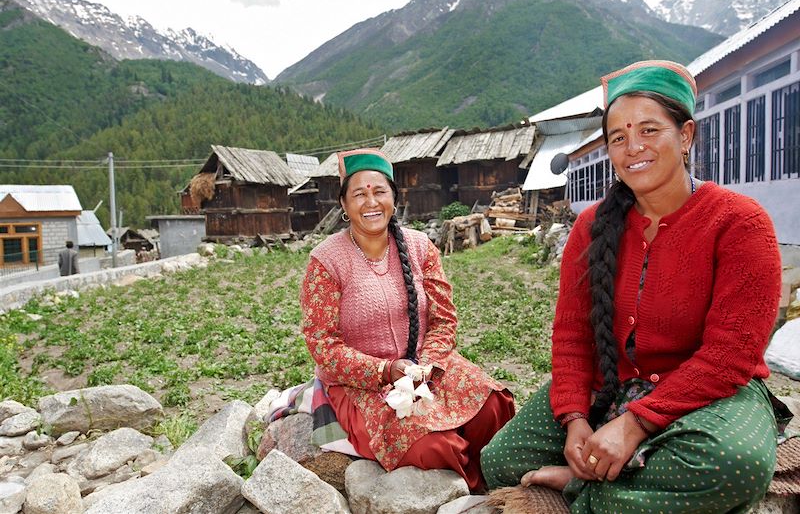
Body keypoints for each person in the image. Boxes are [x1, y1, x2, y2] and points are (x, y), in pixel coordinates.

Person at [480, 60, 789, 512]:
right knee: (502, 461)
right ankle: (626, 482)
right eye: (618, 138)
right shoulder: (591, 227)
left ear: (685, 136)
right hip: (612, 384)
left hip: (706, 391)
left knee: (732, 465)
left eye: (649, 130)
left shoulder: (739, 222)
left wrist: (633, 427)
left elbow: (732, 356)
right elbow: (571, 335)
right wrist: (573, 418)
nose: (633, 148)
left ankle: (581, 488)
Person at [300, 148, 515, 492]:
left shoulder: (420, 247)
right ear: (343, 205)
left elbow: (444, 320)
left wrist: (426, 368)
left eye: (379, 191)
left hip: (425, 366)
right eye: (359, 193)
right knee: (434, 446)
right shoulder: (326, 262)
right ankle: (471, 495)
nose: (371, 201)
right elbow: (323, 346)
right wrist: (385, 372)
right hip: (362, 383)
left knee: (493, 406)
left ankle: (494, 486)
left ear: (394, 199)